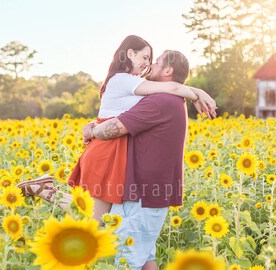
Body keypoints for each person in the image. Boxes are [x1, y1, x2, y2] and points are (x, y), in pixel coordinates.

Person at [16, 35, 216, 226]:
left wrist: (196, 93)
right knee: (96, 219)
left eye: (151, 59)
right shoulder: (124, 79)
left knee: (102, 215)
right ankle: (44, 190)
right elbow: (172, 88)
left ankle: (46, 188)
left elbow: (169, 87)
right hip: (107, 150)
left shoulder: (131, 81)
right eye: (145, 57)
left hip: (114, 149)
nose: (148, 63)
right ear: (130, 54)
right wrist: (197, 94)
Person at [84, 49, 198, 270]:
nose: (151, 65)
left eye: (156, 62)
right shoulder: (172, 99)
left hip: (143, 197)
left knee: (126, 262)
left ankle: (45, 191)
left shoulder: (161, 101)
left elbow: (114, 128)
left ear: (168, 70)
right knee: (145, 260)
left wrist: (91, 130)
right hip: (146, 196)